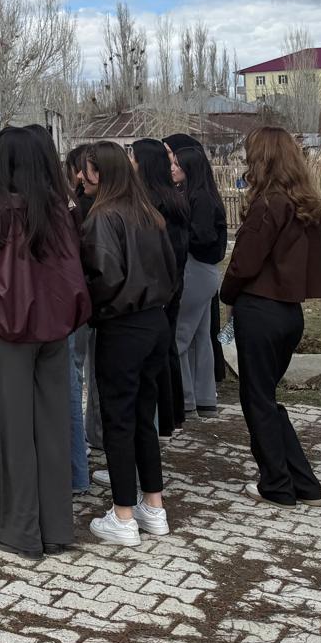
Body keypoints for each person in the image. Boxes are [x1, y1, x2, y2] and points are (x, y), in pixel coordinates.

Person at [0, 126, 91, 559]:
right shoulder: (61, 209)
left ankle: (19, 531)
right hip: (54, 328)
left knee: (14, 432)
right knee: (53, 429)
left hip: (7, 330)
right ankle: (56, 529)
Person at [220, 127, 321, 506]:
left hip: (260, 310)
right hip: (289, 312)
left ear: (262, 158)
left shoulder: (268, 204)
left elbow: (244, 262)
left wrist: (227, 294)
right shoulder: (305, 204)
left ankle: (277, 484)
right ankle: (304, 482)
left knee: (257, 401)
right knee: (265, 398)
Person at [79, 141, 176, 546]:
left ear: (100, 173)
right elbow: (171, 269)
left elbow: (104, 278)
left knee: (118, 420)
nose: (81, 177)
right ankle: (153, 505)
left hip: (122, 326)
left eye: (86, 169)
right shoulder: (149, 214)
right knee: (142, 417)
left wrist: (87, 309)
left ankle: (122, 515)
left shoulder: (103, 217)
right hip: (155, 322)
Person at [168, 140, 228, 417]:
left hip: (195, 267)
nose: (172, 168)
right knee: (200, 336)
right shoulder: (201, 194)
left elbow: (201, 235)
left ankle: (185, 399)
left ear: (190, 168)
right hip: (204, 270)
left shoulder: (199, 198)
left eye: (177, 164)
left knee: (180, 335)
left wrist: (178, 236)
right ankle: (203, 398)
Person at [132, 139, 187, 436]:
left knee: (159, 355)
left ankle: (164, 418)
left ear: (144, 164)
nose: (130, 163)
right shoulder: (170, 197)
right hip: (170, 286)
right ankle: (171, 414)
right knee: (166, 350)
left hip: (160, 290)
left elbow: (165, 252)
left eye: (133, 157)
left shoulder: (155, 203)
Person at [65, 144, 96, 492]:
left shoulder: (78, 206)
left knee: (73, 374)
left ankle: (75, 463)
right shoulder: (73, 204)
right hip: (81, 301)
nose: (78, 176)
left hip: (74, 305)